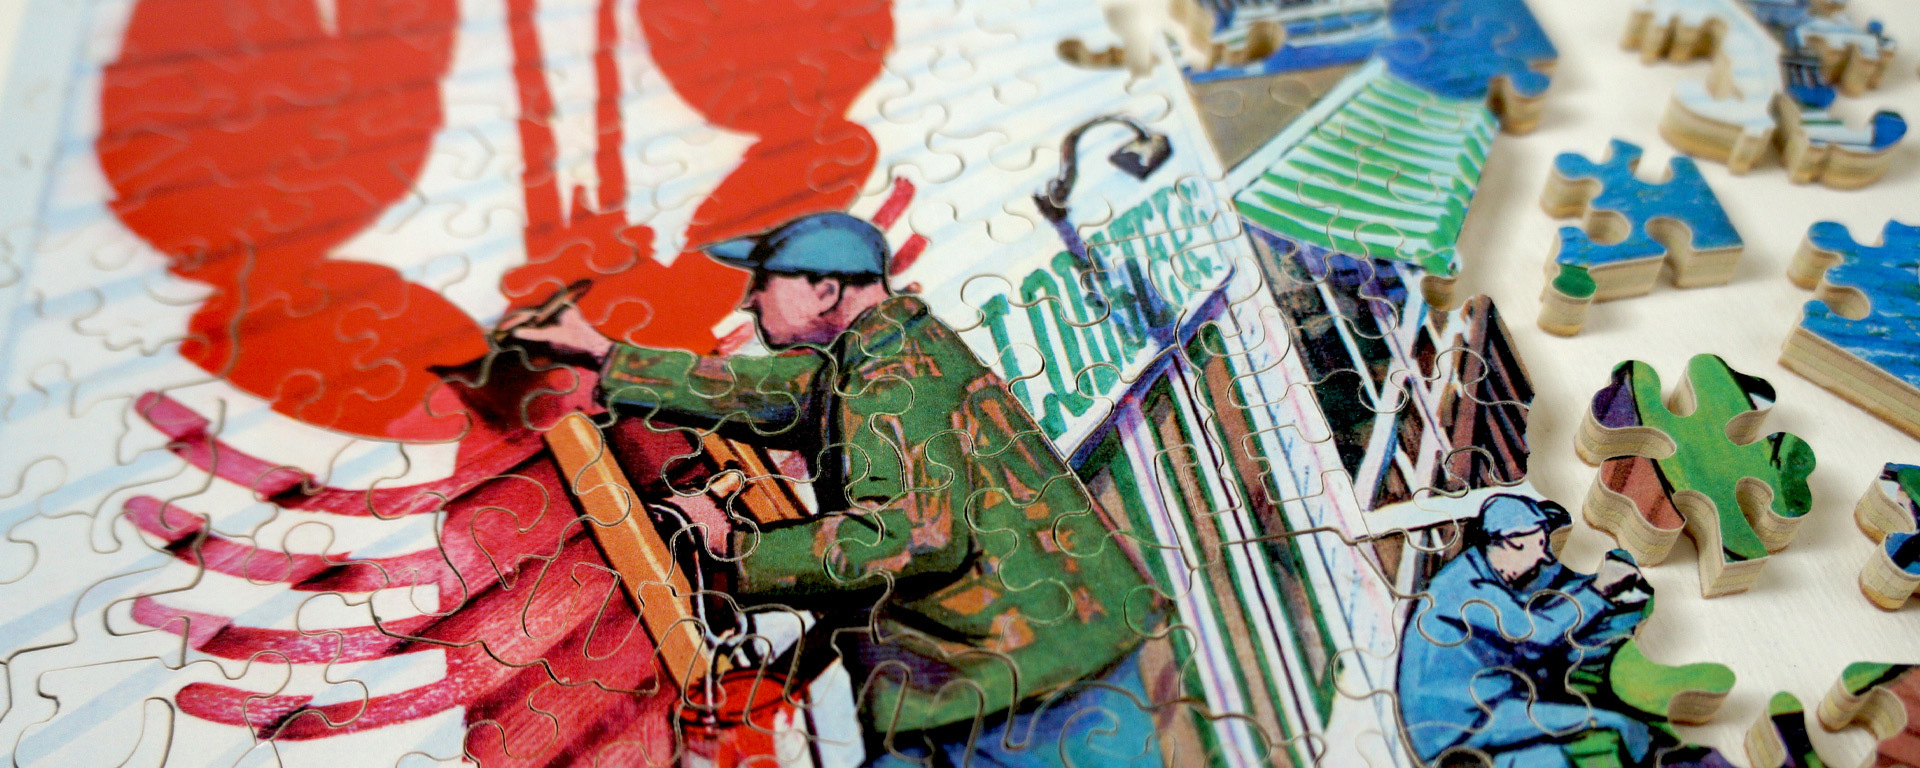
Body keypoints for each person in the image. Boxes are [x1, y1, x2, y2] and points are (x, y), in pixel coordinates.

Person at [511, 211, 1163, 767]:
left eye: (763, 283)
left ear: (825, 291)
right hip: (1027, 671)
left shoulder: (885, 378)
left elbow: (918, 536)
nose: (748, 300)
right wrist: (603, 353)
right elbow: (754, 394)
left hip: (1022, 694)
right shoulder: (886, 351)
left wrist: (735, 546)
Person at [1396, 494, 1653, 768]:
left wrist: (1597, 583)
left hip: (1474, 709)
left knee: (1546, 759)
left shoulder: (1481, 564)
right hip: (1457, 725)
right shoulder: (1466, 589)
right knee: (1617, 724)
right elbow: (1536, 635)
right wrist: (1600, 589)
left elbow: (1544, 611)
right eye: (1539, 545)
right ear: (1512, 542)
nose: (1543, 556)